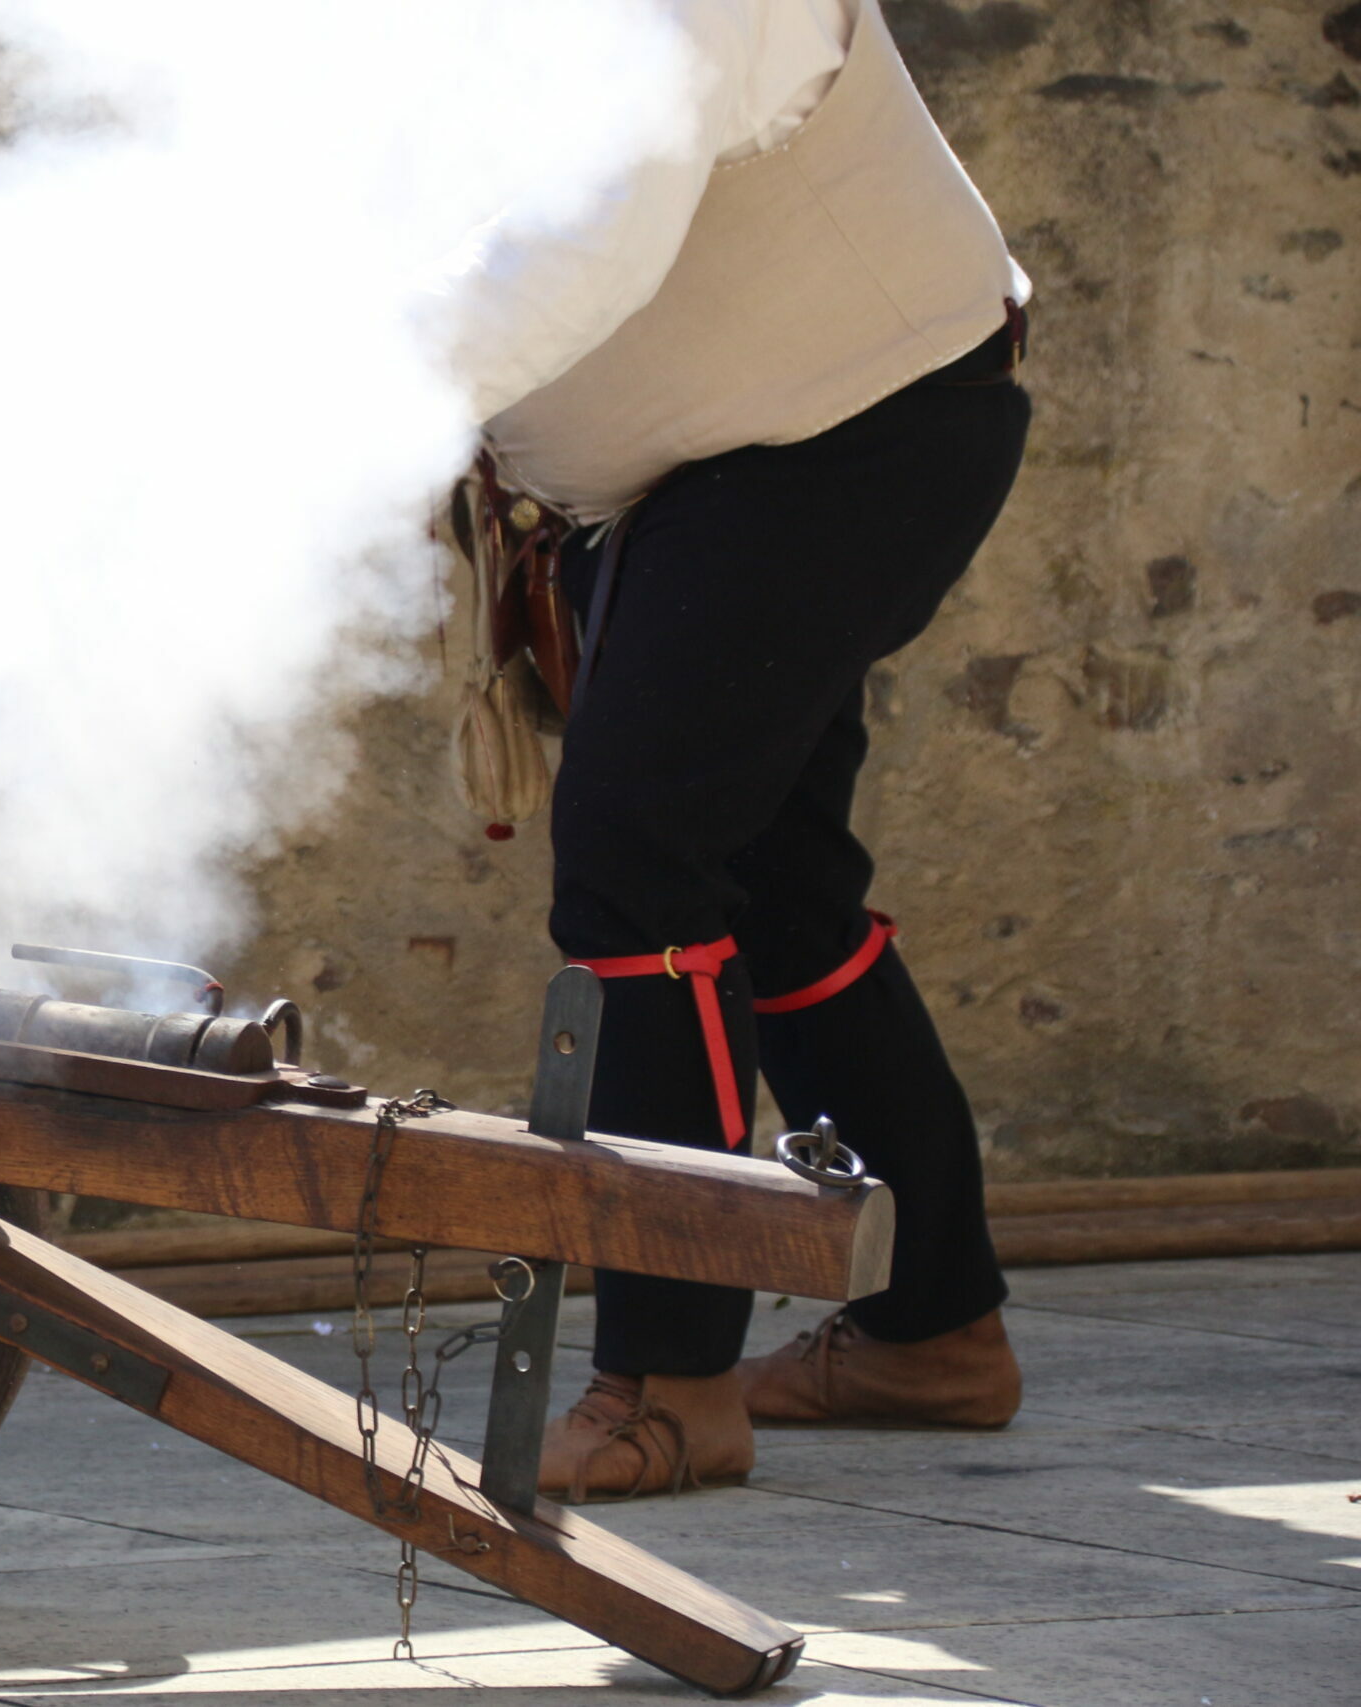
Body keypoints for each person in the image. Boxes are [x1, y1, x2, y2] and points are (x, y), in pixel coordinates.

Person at [443, 0, 1028, 1501]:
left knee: (639, 864)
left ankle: (671, 1382)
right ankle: (931, 1331)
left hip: (846, 435)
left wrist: (344, 406)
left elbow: (592, 241)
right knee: (775, 888)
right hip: (727, 469)